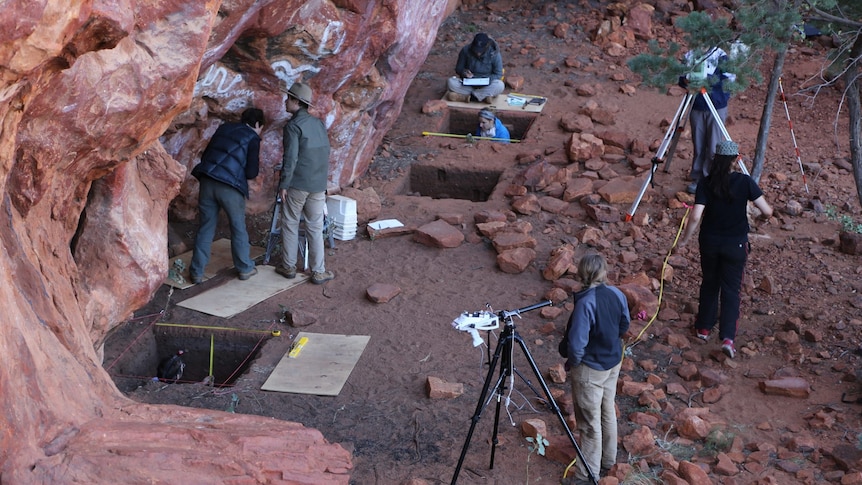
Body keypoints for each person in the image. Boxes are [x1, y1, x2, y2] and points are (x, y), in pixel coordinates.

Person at [679, 140, 773, 359]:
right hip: (736, 244)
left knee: (710, 282)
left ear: (715, 159)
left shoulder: (705, 183)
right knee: (731, 290)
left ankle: (703, 328)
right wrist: (760, 219)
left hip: (709, 242)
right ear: (736, 159)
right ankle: (728, 338)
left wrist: (684, 241)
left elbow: (695, 216)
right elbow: (767, 211)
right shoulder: (745, 182)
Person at [565, 253, 630, 484]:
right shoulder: (616, 293)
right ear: (603, 271)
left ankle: (586, 475)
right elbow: (625, 324)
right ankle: (608, 461)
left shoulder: (586, 302)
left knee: (589, 423)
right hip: (613, 361)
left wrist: (575, 364)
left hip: (590, 368)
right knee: (607, 410)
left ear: (581, 273)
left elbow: (576, 344)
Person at [189, 107, 265, 284]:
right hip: (229, 188)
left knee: (206, 226)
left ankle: (197, 271)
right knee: (238, 227)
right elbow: (251, 172)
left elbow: (207, 155)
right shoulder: (252, 138)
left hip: (207, 181)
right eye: (261, 128)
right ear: (257, 124)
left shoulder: (223, 128)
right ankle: (244, 268)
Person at [275, 82, 335, 285]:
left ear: (296, 102)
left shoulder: (293, 126)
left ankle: (289, 266)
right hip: (318, 184)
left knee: (290, 223)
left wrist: (284, 184)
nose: (286, 101)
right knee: (315, 227)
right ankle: (319, 271)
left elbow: (290, 159)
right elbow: (326, 152)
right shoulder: (318, 124)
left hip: (298, 184)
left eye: (289, 98)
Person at [678, 47, 736, 194]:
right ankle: (697, 177)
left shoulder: (721, 56)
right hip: (697, 105)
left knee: (713, 146)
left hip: (715, 106)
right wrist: (687, 80)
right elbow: (681, 78)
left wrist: (706, 81)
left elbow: (728, 79)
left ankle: (710, 178)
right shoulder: (690, 54)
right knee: (698, 144)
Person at [446, 32, 504, 103]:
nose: (477, 53)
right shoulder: (465, 50)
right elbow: (458, 69)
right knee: (451, 82)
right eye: (476, 50)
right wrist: (464, 72)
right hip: (469, 84)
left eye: (480, 51)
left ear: (487, 46)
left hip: (486, 84)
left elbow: (498, 74)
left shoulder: (494, 54)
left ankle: (465, 98)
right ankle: (484, 96)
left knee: (500, 85)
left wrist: (485, 80)